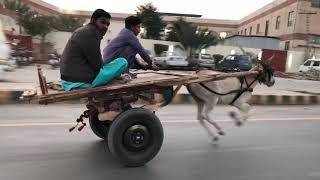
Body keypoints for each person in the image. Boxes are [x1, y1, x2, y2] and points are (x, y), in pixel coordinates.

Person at [60, 9, 128, 91]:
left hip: (67, 79)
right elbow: (97, 65)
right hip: (80, 81)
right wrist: (114, 74)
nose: (105, 27)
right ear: (93, 20)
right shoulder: (92, 33)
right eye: (102, 22)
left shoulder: (82, 30)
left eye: (107, 24)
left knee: (110, 67)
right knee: (122, 62)